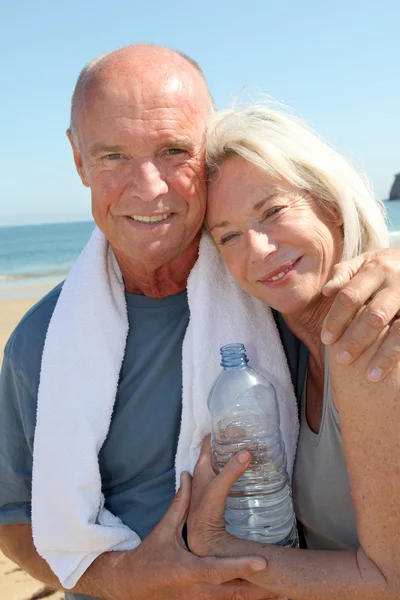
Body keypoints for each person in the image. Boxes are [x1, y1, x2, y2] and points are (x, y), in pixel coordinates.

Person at [0, 44, 399, 600]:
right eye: (112, 155)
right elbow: (16, 521)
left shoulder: (271, 288)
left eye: (173, 150)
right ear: (78, 159)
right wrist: (136, 578)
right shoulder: (38, 343)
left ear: (206, 147)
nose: (149, 187)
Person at [186, 104, 400, 599]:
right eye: (229, 236)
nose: (258, 249)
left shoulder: (374, 339)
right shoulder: (284, 355)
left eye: (274, 211)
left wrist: (218, 550)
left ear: (330, 203)